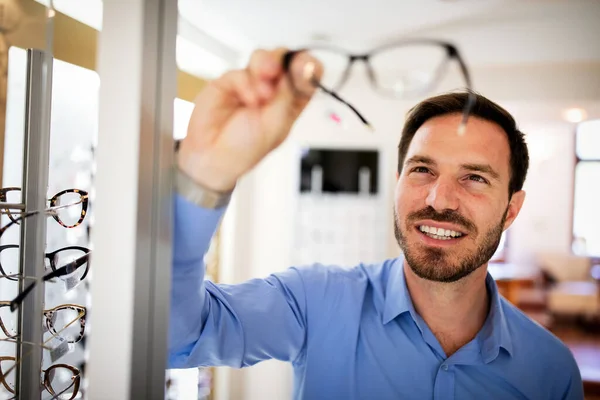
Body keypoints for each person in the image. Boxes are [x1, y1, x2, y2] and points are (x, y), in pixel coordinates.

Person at [169, 48, 583, 399]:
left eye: (474, 178)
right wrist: (205, 179)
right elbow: (176, 337)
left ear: (511, 210)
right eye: (422, 169)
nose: (439, 200)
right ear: (398, 181)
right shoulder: (313, 302)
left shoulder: (551, 373)